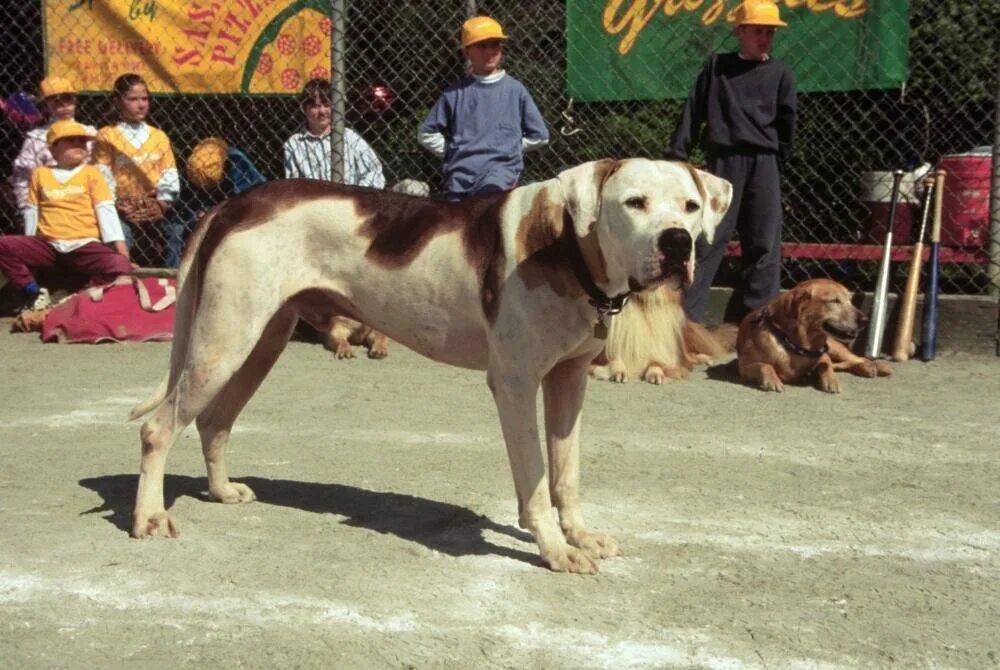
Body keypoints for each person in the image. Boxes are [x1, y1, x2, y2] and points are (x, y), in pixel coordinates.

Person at [664, 0, 796, 324]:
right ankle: (685, 321)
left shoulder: (780, 74)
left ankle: (758, 322)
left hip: (764, 162)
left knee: (764, 241)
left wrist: (778, 162)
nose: (764, 37)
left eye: (769, 32)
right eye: (756, 31)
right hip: (723, 162)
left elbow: (787, 123)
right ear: (739, 31)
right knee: (709, 238)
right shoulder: (717, 67)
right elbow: (693, 110)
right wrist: (677, 155)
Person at [0, 120, 132, 312]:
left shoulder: (91, 173)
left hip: (84, 245)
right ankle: (34, 292)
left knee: (120, 265)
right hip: (48, 245)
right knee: (3, 245)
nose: (79, 144)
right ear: (53, 149)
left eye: (82, 141)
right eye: (70, 140)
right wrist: (30, 247)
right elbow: (32, 212)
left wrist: (122, 251)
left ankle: (78, 297)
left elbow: (106, 210)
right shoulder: (41, 174)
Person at [418, 16, 549, 201]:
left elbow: (540, 136)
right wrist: (452, 151)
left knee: (487, 208)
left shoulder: (515, 90)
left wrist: (510, 147)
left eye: (495, 44)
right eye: (481, 46)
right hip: (459, 178)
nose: (490, 51)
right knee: (454, 221)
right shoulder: (454, 93)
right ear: (466, 52)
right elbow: (426, 134)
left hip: (499, 177)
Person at [92, 73, 180, 266]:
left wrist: (162, 204)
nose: (141, 104)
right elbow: (102, 175)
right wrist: (117, 204)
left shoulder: (158, 136)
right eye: (133, 99)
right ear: (117, 101)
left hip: (153, 203)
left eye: (145, 98)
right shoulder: (107, 135)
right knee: (120, 233)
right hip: (123, 206)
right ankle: (122, 274)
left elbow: (169, 174)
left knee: (177, 230)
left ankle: (174, 278)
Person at [165, 137, 267, 267]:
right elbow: (183, 203)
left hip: (230, 206)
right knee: (175, 226)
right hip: (199, 207)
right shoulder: (193, 168)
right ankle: (173, 271)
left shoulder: (238, 164)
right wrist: (196, 214)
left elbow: (255, 200)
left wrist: (220, 214)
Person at [9, 76, 97, 223]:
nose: (63, 105)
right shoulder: (36, 138)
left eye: (67, 98)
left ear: (75, 101)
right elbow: (23, 178)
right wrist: (28, 212)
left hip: (86, 205)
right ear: (45, 106)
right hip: (48, 206)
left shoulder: (90, 134)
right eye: (55, 100)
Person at [283, 78, 385, 188]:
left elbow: (374, 172)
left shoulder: (349, 137)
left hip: (351, 200)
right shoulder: (293, 144)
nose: (322, 111)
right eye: (315, 106)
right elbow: (294, 186)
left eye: (327, 105)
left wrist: (355, 195)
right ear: (304, 109)